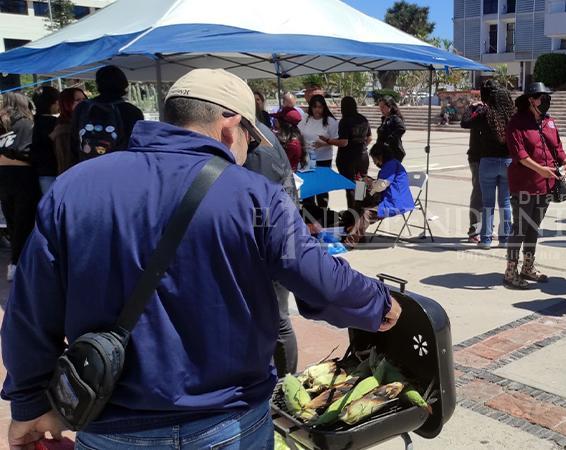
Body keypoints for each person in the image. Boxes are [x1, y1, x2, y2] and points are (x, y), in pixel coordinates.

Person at [1, 68, 401, 450]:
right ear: (231, 125)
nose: (247, 153)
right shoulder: (255, 196)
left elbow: (30, 307)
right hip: (228, 422)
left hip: (109, 424)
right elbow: (323, 283)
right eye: (251, 139)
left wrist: (29, 403)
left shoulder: (75, 186)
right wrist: (380, 303)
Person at [244, 118, 300, 376]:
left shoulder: (257, 147)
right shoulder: (254, 135)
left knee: (278, 318)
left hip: (275, 240)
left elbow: (260, 203)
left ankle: (287, 381)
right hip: (274, 237)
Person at [504, 82, 566, 289]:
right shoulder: (516, 123)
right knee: (520, 228)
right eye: (543, 97)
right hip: (524, 184)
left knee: (533, 228)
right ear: (531, 100)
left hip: (547, 184)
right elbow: (519, 154)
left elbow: (557, 147)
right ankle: (510, 271)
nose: (547, 101)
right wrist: (540, 169)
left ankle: (528, 267)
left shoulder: (549, 122)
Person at [465, 83, 515, 250]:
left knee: (487, 203)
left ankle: (485, 239)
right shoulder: (512, 115)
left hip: (487, 161)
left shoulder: (484, 113)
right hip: (507, 161)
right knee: (505, 203)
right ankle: (505, 239)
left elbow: (465, 123)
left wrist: (472, 107)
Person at [340, 142, 414, 248]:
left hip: (395, 202)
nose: (374, 162)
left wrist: (370, 187)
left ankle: (350, 241)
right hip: (391, 198)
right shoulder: (392, 164)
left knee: (366, 213)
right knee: (360, 189)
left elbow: (381, 185)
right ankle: (355, 228)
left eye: (374, 159)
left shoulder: (390, 165)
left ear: (380, 156)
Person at [69, 65, 144, 165]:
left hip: (86, 168)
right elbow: (137, 146)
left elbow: (74, 142)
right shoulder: (132, 111)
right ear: (123, 84)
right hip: (119, 169)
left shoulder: (82, 107)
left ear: (98, 84)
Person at [0, 93, 39, 282]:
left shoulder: (3, 125)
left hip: (3, 177)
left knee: (12, 221)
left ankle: (15, 263)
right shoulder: (28, 124)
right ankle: (18, 264)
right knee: (24, 220)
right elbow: (30, 152)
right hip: (23, 176)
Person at [298, 94, 339, 209]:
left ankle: (323, 213)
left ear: (324, 107)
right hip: (307, 157)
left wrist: (324, 143)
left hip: (323, 159)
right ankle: (308, 214)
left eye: (320, 107)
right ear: (311, 107)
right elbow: (298, 133)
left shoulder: (331, 121)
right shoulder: (305, 118)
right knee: (308, 188)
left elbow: (337, 140)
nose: (317, 110)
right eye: (315, 107)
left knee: (321, 189)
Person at [336, 96, 372, 209]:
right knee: (361, 184)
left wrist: (328, 141)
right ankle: (359, 211)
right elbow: (370, 138)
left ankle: (352, 213)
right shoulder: (363, 119)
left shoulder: (344, 121)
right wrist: (362, 146)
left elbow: (344, 142)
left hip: (347, 157)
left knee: (350, 186)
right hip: (362, 155)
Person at [462, 90, 484, 244]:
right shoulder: (478, 110)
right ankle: (475, 229)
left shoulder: (494, 109)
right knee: (478, 193)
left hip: (491, 158)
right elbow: (465, 123)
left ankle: (485, 227)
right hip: (477, 158)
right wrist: (471, 108)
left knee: (487, 195)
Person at [29, 86, 60, 194]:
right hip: (52, 170)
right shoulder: (56, 123)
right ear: (54, 103)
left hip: (34, 171)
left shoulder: (30, 122)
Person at [50, 87, 87, 175]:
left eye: (84, 99)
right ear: (66, 104)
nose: (83, 103)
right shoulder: (64, 130)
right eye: (77, 100)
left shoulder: (83, 123)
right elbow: (65, 163)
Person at [276, 106, 307, 171]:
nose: (275, 121)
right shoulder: (292, 139)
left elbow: (281, 162)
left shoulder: (292, 143)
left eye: (278, 119)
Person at [376, 96, 406, 162]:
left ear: (390, 106)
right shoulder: (385, 119)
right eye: (380, 107)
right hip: (385, 153)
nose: (381, 109)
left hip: (392, 153)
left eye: (383, 107)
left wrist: (388, 141)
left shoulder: (394, 118)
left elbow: (402, 128)